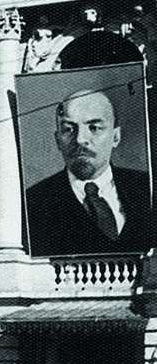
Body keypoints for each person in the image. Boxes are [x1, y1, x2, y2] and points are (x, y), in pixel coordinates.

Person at [25, 88, 153, 256]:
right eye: (69, 129)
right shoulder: (33, 202)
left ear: (116, 137)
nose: (80, 139)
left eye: (94, 127)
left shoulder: (146, 187)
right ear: (57, 140)